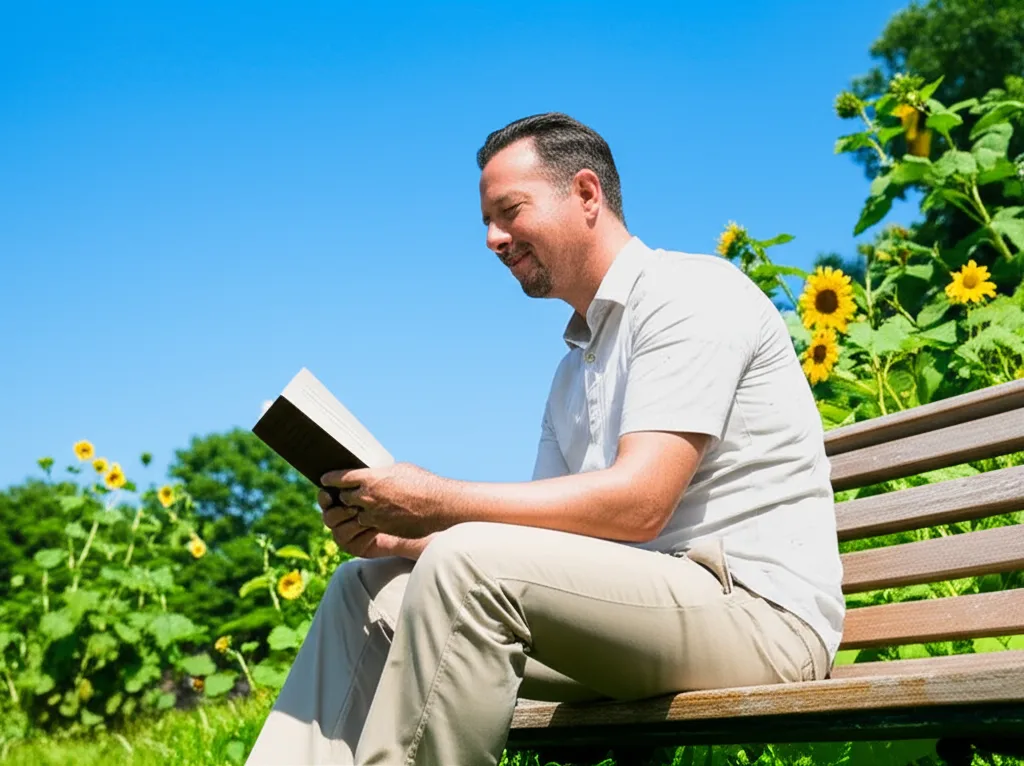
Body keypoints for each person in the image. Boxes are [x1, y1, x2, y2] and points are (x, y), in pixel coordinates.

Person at [245, 113, 845, 766]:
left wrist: (437, 500)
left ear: (586, 194)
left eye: (509, 212)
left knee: (470, 557)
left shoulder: (690, 295)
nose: (493, 240)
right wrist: (400, 537)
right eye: (485, 223)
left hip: (760, 624)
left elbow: (641, 504)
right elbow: (541, 543)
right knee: (365, 589)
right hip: (639, 623)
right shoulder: (572, 371)